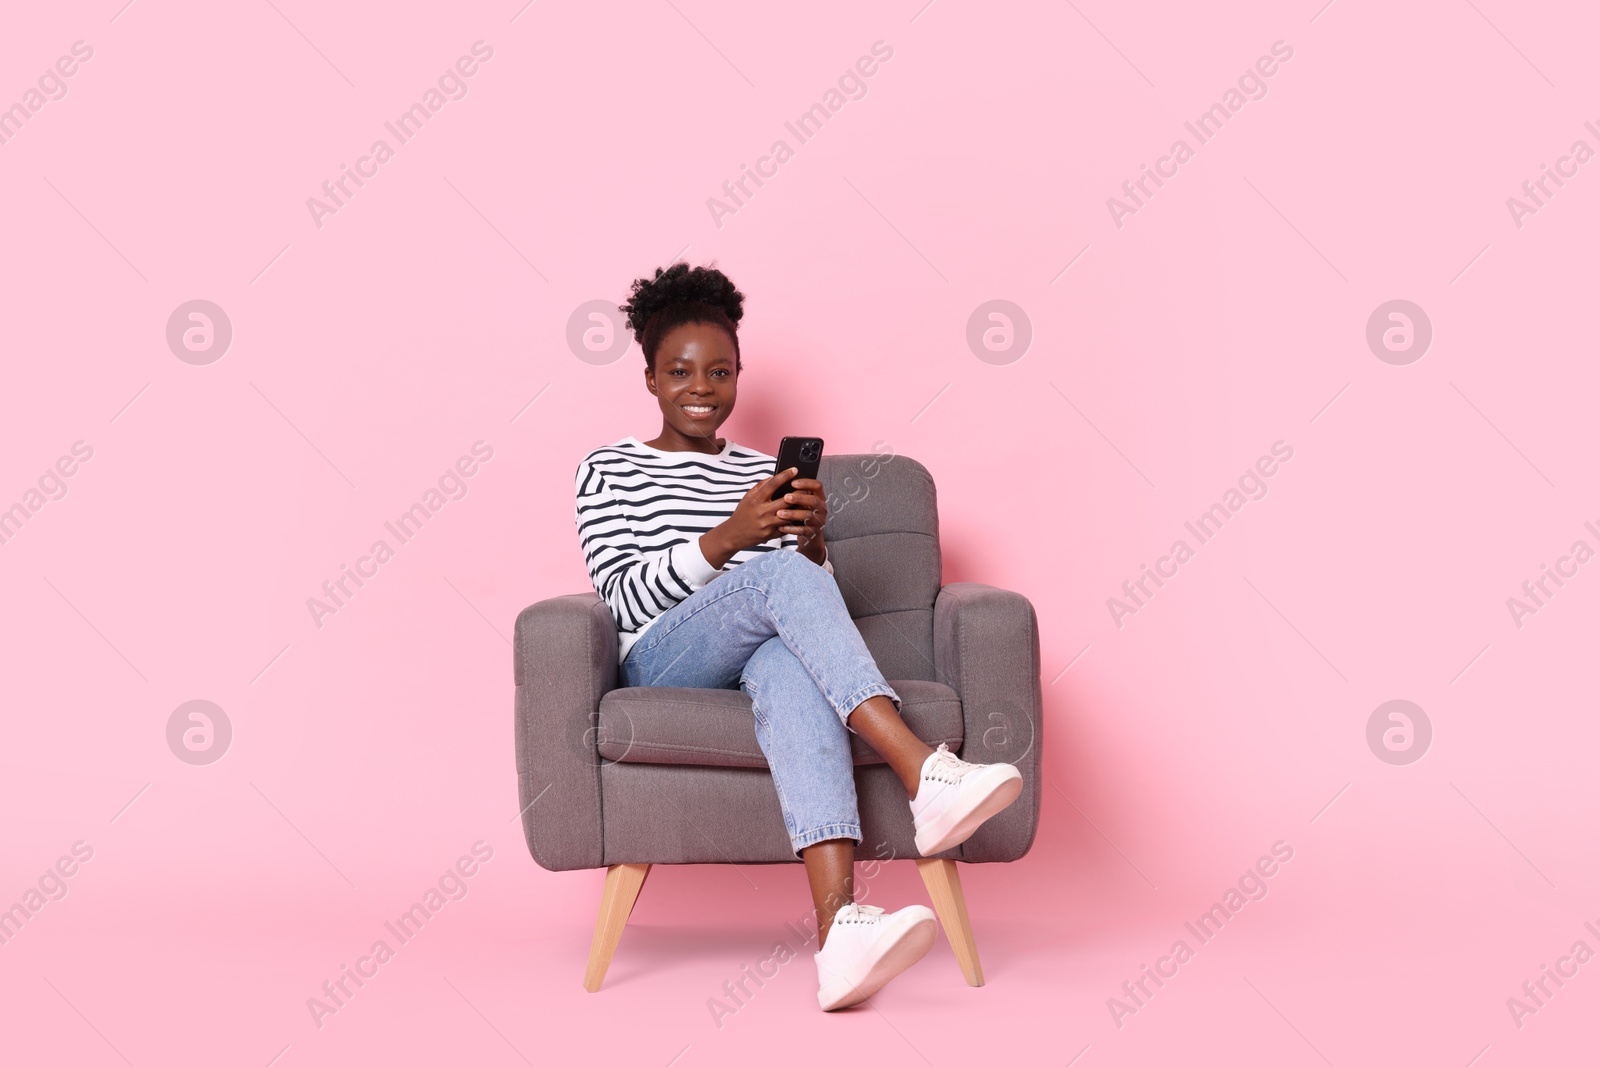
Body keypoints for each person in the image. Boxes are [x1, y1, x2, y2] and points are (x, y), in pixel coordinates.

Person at [573, 262, 1023, 1011]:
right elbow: (622, 593)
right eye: (679, 371)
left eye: (719, 371)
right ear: (649, 377)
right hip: (664, 657)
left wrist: (813, 545)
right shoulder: (609, 469)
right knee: (777, 579)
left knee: (788, 656)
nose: (701, 387)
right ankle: (923, 770)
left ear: (739, 375)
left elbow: (805, 604)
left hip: (755, 649)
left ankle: (838, 936)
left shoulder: (759, 471)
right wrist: (730, 538)